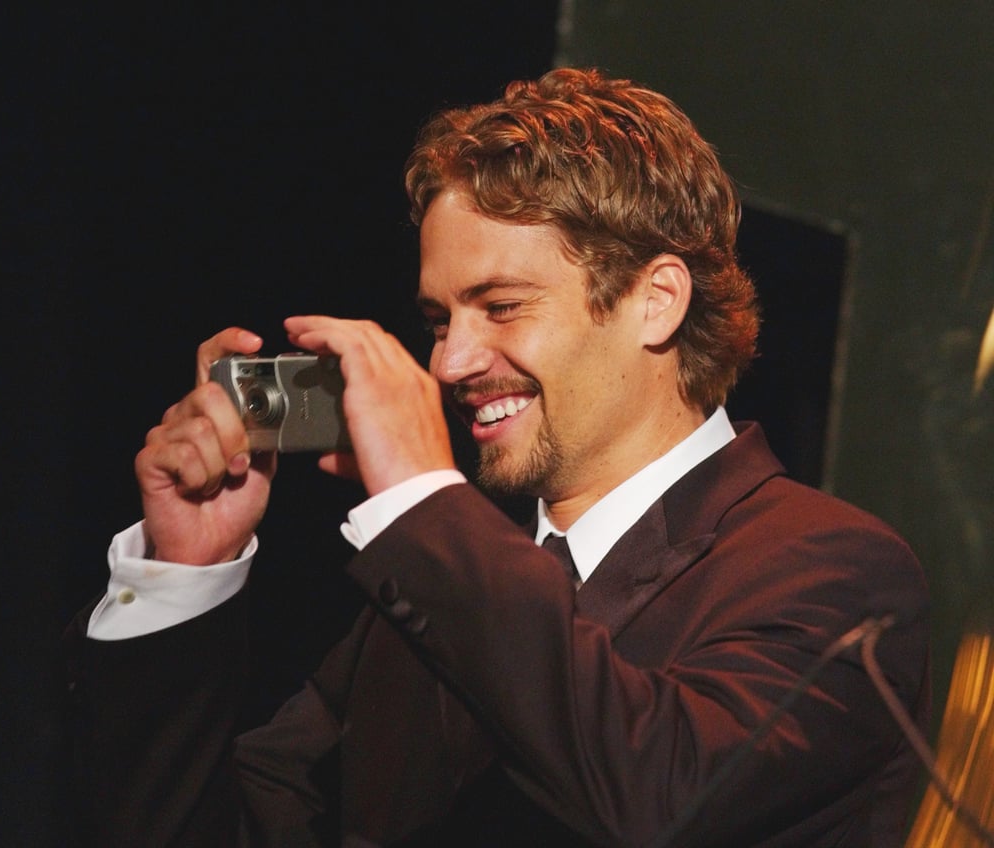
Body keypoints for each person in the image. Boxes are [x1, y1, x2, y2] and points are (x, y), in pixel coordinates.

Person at [65, 67, 930, 847]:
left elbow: (664, 798)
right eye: (442, 319)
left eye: (502, 306)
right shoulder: (423, 600)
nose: (450, 363)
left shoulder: (833, 574)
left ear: (656, 301)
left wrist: (419, 498)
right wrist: (184, 576)